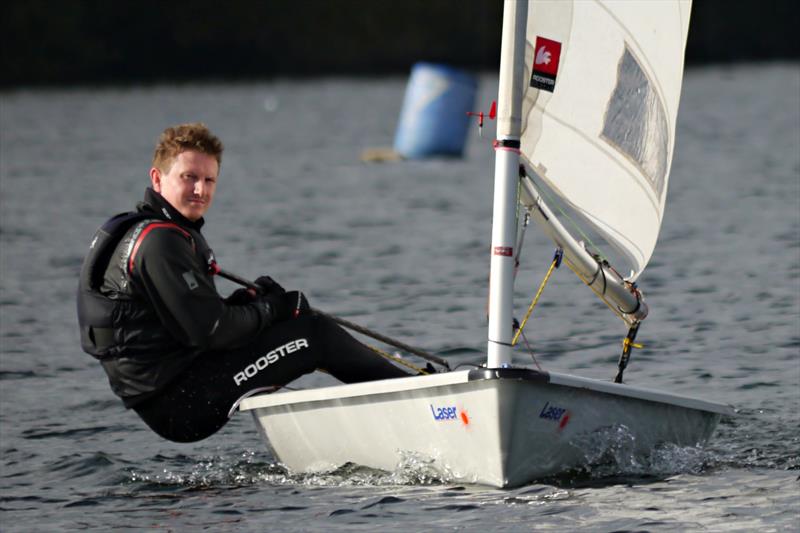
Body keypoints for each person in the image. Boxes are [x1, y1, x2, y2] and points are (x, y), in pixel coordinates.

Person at [77, 122, 412, 443]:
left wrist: (247, 303)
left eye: (209, 180)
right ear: (157, 178)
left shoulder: (142, 231)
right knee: (314, 334)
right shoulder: (161, 243)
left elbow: (180, 321)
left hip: (170, 392)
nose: (200, 190)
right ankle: (416, 401)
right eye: (189, 177)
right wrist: (270, 309)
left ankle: (392, 405)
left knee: (299, 327)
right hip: (181, 404)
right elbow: (213, 332)